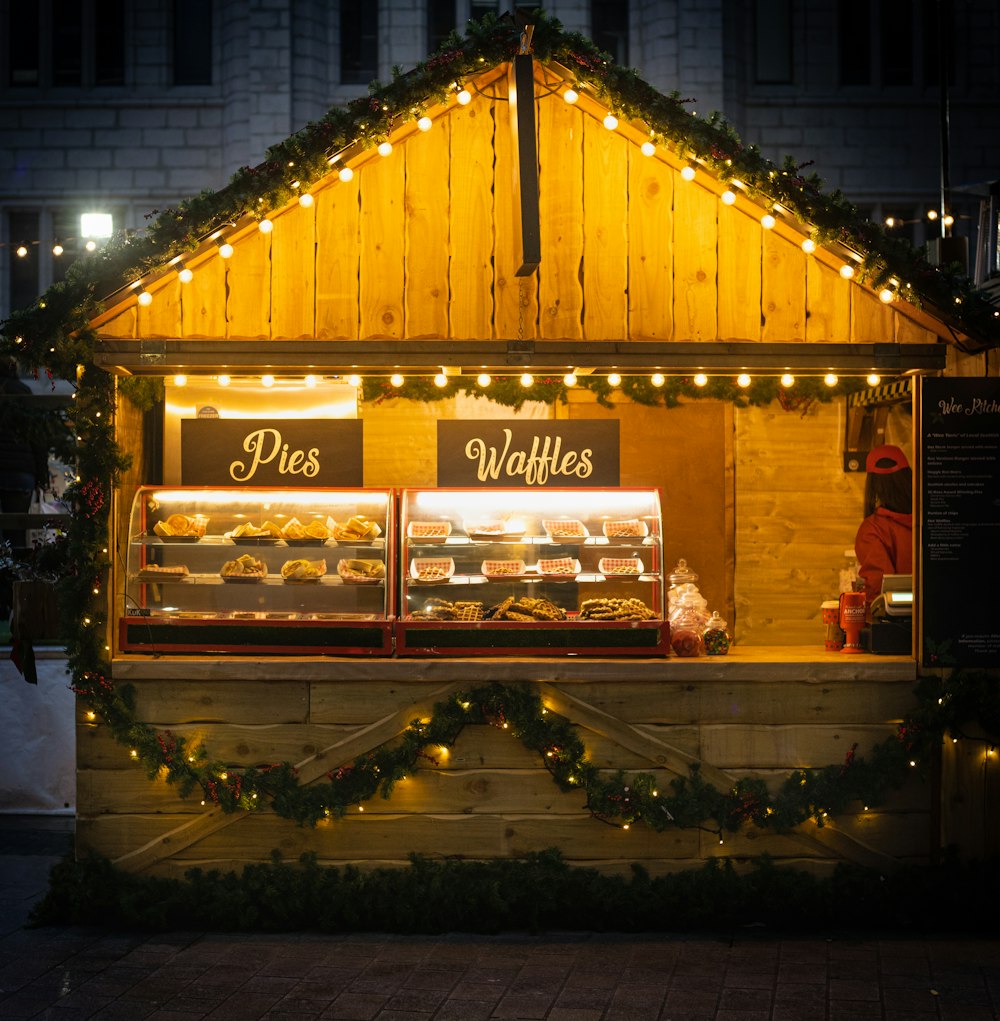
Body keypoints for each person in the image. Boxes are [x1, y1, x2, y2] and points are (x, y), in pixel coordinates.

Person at [854, 443, 912, 618]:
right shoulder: (936, 520)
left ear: (873, 485)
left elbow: (878, 589)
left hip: (895, 627)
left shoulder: (873, 529)